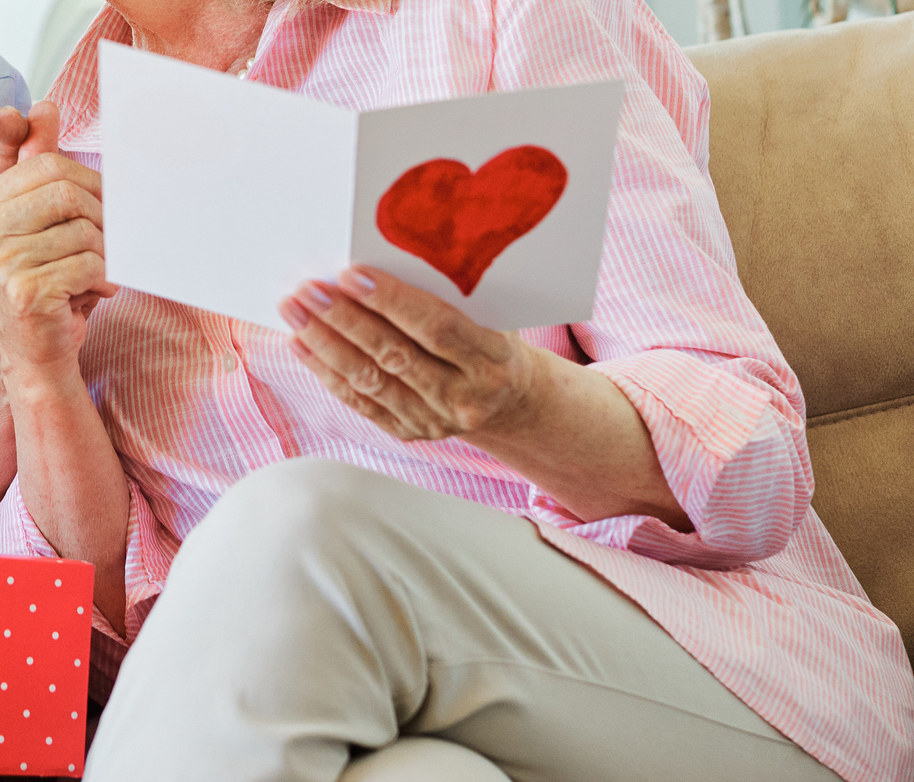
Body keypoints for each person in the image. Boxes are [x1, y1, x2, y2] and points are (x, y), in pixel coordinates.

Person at [0, 0, 910, 779]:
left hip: (708, 685)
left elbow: (760, 461)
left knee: (300, 525)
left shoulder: (492, 17)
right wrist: (35, 373)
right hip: (370, 724)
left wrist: (515, 403)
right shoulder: (63, 158)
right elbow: (100, 670)